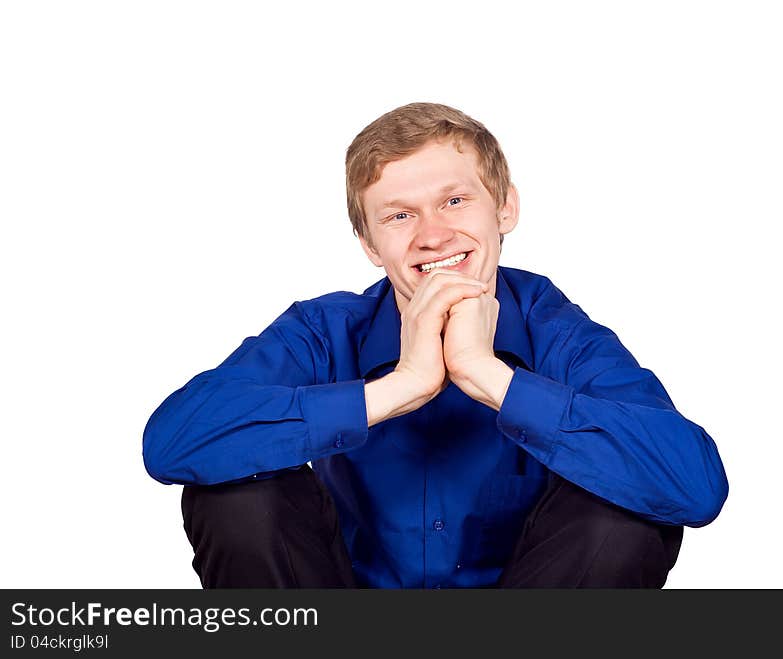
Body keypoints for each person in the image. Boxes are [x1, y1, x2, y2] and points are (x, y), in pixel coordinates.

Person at [142, 102, 728, 589]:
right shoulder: (323, 330)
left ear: (505, 208)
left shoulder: (562, 336)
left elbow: (696, 488)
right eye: (399, 215)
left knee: (628, 504)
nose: (432, 235)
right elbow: (172, 443)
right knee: (235, 494)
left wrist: (490, 376)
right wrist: (400, 386)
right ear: (371, 244)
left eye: (454, 201)